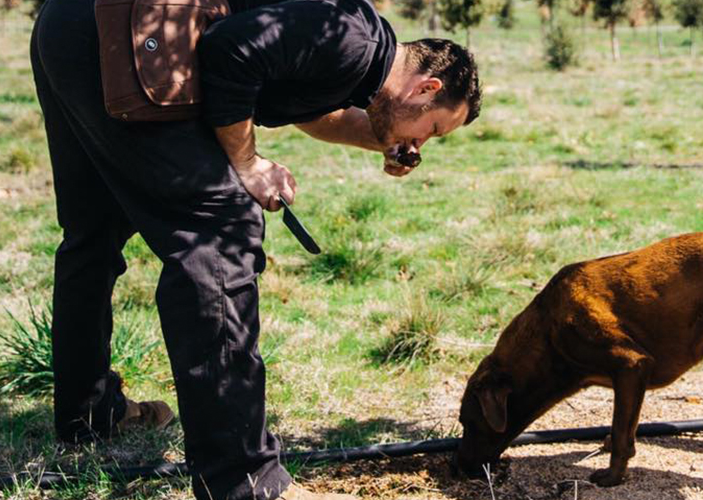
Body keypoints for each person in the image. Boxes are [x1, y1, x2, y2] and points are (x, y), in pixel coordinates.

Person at [29, 0, 482, 496]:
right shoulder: (353, 41)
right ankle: (245, 480)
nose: (424, 141)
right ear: (426, 88)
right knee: (221, 231)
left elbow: (313, 112)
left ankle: (90, 414)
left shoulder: (352, 49)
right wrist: (248, 163)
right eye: (432, 128)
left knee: (93, 235)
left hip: (73, 25)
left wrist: (387, 140)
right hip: (129, 35)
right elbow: (230, 54)